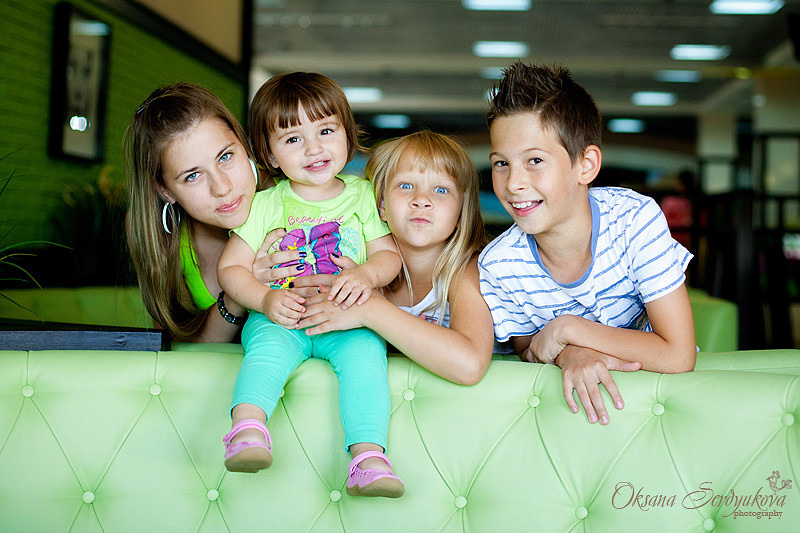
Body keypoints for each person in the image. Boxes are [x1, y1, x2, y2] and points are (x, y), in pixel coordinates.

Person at [217, 72, 405, 498]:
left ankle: (368, 457)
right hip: (282, 317)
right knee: (265, 353)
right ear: (268, 153)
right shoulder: (267, 202)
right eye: (293, 139)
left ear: (347, 133)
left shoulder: (363, 195)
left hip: (346, 319)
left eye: (325, 130)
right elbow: (231, 270)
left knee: (367, 360)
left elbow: (389, 256)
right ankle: (247, 429)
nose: (314, 148)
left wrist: (366, 274)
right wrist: (265, 298)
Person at [478, 62, 697, 425]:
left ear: (586, 165)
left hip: (659, 411)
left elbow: (679, 355)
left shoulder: (634, 220)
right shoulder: (498, 265)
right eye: (501, 163)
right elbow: (531, 352)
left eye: (534, 160)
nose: (513, 182)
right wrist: (570, 354)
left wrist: (569, 329)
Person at [297, 130, 495, 386]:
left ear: (460, 215)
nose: (421, 200)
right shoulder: (358, 268)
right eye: (406, 186)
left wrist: (371, 309)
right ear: (381, 205)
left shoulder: (464, 271)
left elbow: (470, 365)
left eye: (441, 190)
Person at [125, 83, 285, 342]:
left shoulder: (296, 195)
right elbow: (176, 352)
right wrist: (237, 293)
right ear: (165, 190)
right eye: (193, 176)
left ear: (244, 146)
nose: (222, 188)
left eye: (225, 157)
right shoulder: (155, 232)